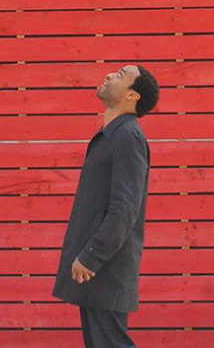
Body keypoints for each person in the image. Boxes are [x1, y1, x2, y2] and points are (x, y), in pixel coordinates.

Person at [53, 64, 160, 348]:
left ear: (132, 96)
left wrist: (92, 256)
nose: (111, 75)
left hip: (106, 268)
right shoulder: (113, 135)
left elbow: (125, 208)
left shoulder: (127, 136)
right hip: (99, 268)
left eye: (122, 75)